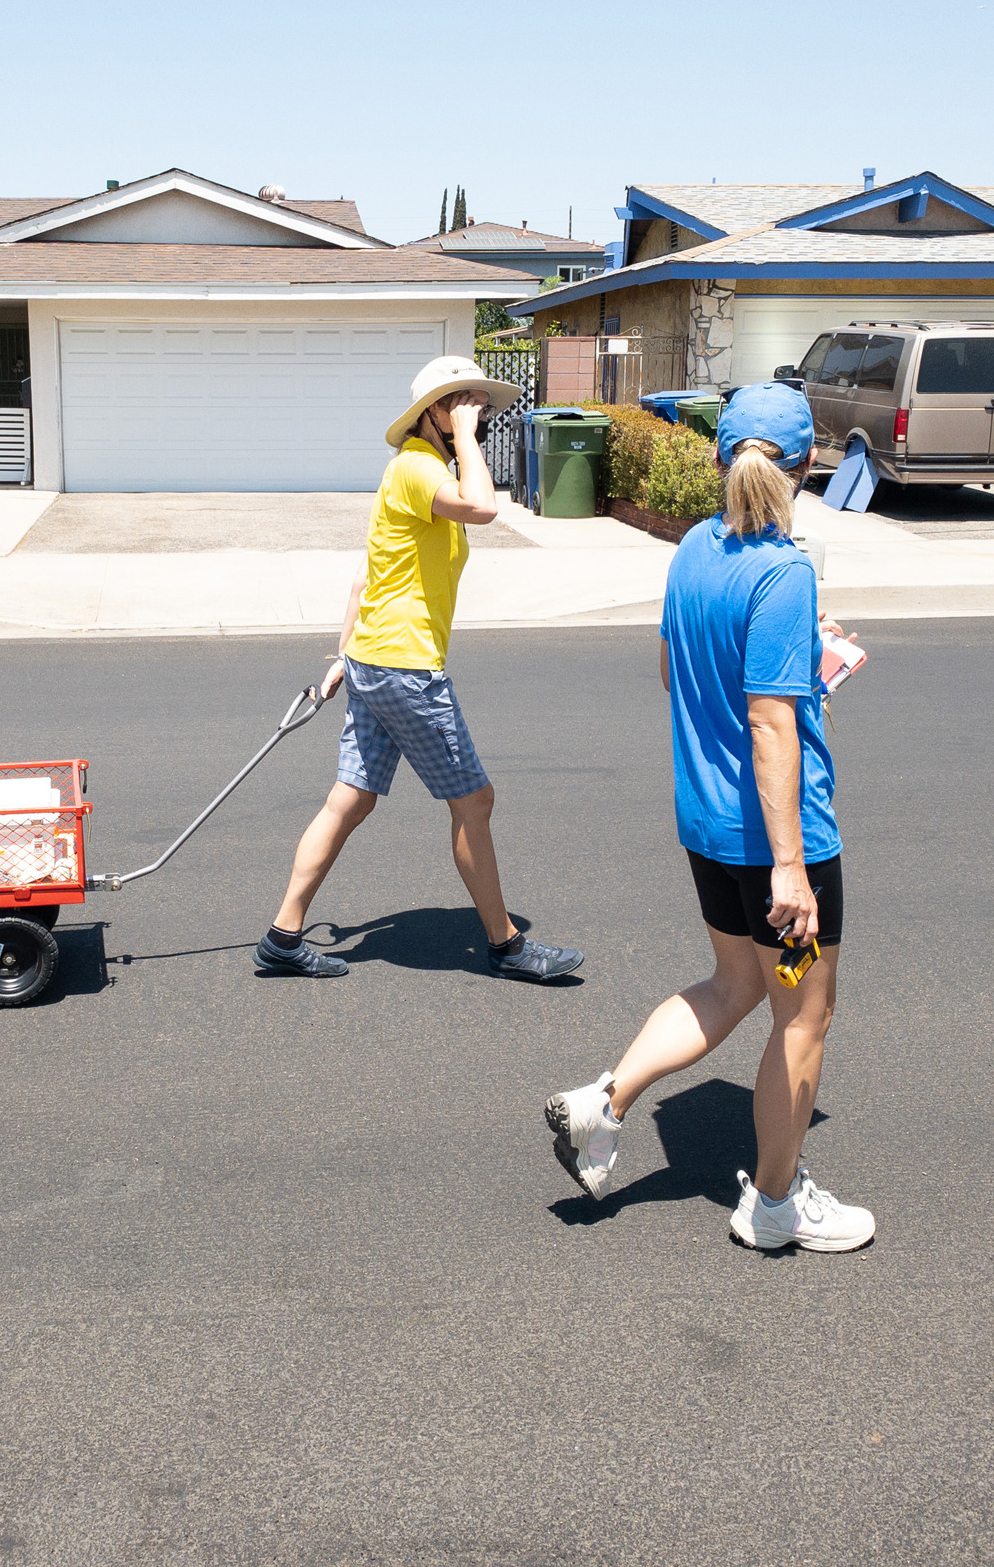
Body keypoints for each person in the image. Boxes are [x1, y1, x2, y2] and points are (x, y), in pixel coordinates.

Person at [541, 383, 875, 1253]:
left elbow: (674, 671)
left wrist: (800, 651)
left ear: (722, 457)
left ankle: (604, 1104)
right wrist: (792, 868)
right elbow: (770, 723)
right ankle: (773, 1206)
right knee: (802, 1016)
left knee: (733, 984)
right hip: (773, 843)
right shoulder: (784, 568)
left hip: (706, 826)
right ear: (805, 465)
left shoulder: (692, 547)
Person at [253, 355, 584, 984]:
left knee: (349, 801)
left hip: (376, 661)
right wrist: (461, 435)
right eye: (461, 402)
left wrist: (340, 657)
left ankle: (282, 937)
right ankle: (507, 947)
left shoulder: (418, 470)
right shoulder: (417, 467)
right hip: (404, 668)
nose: (477, 413)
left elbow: (368, 571)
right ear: (431, 413)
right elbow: (485, 509)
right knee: (474, 801)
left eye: (479, 404)